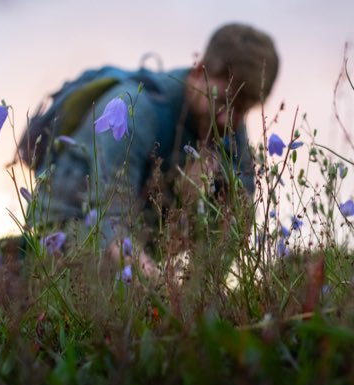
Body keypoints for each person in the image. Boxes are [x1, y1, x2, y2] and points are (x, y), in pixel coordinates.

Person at [18, 22, 279, 279]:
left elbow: (239, 218)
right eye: (223, 101)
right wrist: (167, 301)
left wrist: (202, 298)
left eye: (244, 109)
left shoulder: (230, 126)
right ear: (199, 72)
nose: (229, 121)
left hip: (134, 239)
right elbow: (110, 224)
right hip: (65, 230)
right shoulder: (136, 109)